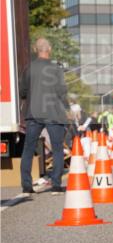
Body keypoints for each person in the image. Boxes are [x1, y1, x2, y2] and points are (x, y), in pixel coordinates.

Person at [19, 37, 70, 194]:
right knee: (57, 148)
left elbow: (23, 92)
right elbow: (62, 92)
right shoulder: (56, 69)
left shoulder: (29, 68)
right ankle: (55, 185)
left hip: (34, 113)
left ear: (36, 49)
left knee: (28, 148)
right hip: (53, 113)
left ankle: (27, 186)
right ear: (50, 49)